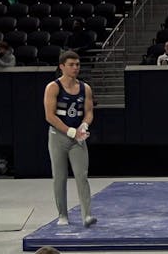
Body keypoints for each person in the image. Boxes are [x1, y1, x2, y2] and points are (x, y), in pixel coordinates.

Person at [43, 51, 97, 228]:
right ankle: (62, 215)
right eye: (72, 65)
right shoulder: (53, 87)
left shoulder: (85, 88)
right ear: (62, 67)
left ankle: (87, 215)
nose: (76, 68)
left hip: (78, 138)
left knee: (82, 176)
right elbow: (50, 116)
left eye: (78, 64)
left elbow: (88, 112)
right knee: (60, 177)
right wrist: (69, 131)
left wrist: (84, 126)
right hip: (58, 137)